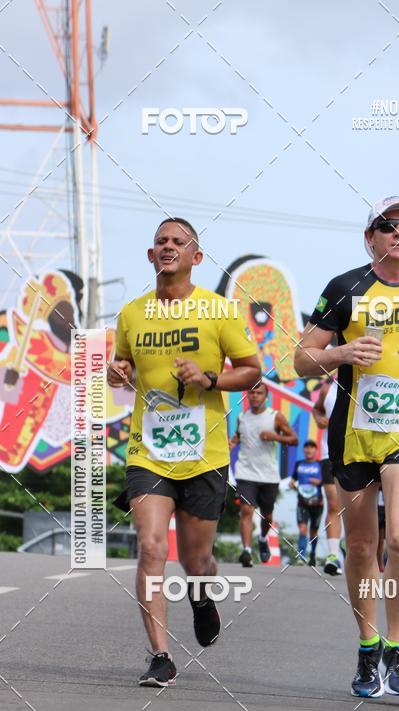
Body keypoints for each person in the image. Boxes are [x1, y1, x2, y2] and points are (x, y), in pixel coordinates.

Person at [294, 195, 399, 698]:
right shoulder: (345, 288)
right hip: (353, 433)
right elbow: (301, 359)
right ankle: (368, 647)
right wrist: (341, 351)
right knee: (362, 545)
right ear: (370, 238)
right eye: (388, 226)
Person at [108, 217, 261, 687]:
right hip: (147, 452)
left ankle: (201, 594)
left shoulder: (219, 311)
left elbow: (252, 372)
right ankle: (160, 656)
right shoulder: (132, 314)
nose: (168, 245)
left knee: (196, 561)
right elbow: (125, 368)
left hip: (205, 455)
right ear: (151, 256)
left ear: (196, 257)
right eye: (161, 241)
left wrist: (209, 379)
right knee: (152, 546)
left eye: (179, 241)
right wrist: (118, 372)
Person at [230, 381, 298, 567]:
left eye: (258, 393)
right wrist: (233, 441)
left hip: (269, 474)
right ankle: (246, 551)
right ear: (247, 396)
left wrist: (275, 437)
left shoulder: (275, 417)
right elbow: (239, 434)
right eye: (251, 393)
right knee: (246, 510)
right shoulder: (242, 417)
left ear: (265, 397)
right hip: (245, 472)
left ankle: (262, 538)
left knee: (267, 516)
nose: (254, 396)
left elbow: (294, 439)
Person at [312, 378, 343, 574]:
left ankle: (354, 548)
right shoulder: (327, 387)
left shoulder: (365, 380)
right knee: (333, 504)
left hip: (358, 453)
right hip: (329, 453)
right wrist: (318, 418)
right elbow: (317, 409)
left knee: (357, 508)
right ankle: (332, 555)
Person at [289, 439, 324, 566]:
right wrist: (292, 482)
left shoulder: (320, 465)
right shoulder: (299, 464)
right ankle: (301, 556)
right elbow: (293, 478)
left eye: (311, 447)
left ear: (316, 450)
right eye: (306, 447)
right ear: (303, 450)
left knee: (313, 531)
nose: (309, 450)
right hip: (302, 502)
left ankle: (313, 554)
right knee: (302, 529)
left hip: (317, 503)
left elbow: (327, 481)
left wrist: (319, 482)